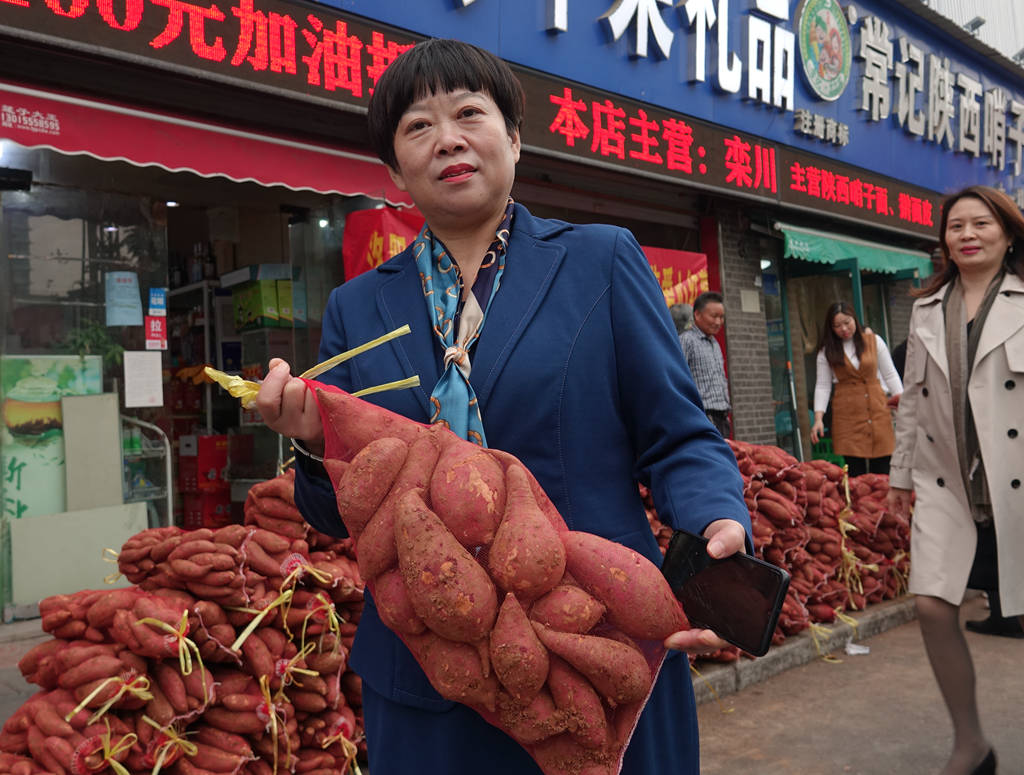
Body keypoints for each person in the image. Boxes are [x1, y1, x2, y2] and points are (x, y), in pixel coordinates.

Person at [252, 39, 750, 775]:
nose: (447, 137)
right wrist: (308, 442)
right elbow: (340, 510)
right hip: (430, 670)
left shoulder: (601, 261)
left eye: (468, 113)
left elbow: (678, 435)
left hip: (595, 646)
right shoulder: (358, 306)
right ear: (394, 170)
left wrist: (717, 518)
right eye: (417, 127)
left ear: (514, 139)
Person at [887, 184, 1024, 775]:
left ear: (1009, 233)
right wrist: (898, 476)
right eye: (956, 227)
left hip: (1018, 483)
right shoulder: (925, 309)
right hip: (947, 485)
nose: (967, 235)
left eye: (981, 225)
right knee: (933, 606)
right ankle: (970, 743)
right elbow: (914, 400)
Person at [809, 301, 902, 476]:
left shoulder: (874, 341)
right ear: (831, 328)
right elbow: (822, 386)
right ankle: (857, 503)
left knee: (883, 467)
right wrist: (818, 418)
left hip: (876, 409)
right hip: (847, 415)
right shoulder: (826, 351)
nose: (844, 329)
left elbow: (890, 374)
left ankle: (882, 503)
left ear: (855, 320)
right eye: (837, 326)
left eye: (847, 322)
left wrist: (901, 399)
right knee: (854, 472)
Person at [679, 291, 731, 437]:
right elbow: (678, 378)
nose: (718, 322)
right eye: (714, 316)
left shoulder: (715, 343)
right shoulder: (687, 340)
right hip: (703, 417)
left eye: (721, 317)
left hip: (722, 417)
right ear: (697, 315)